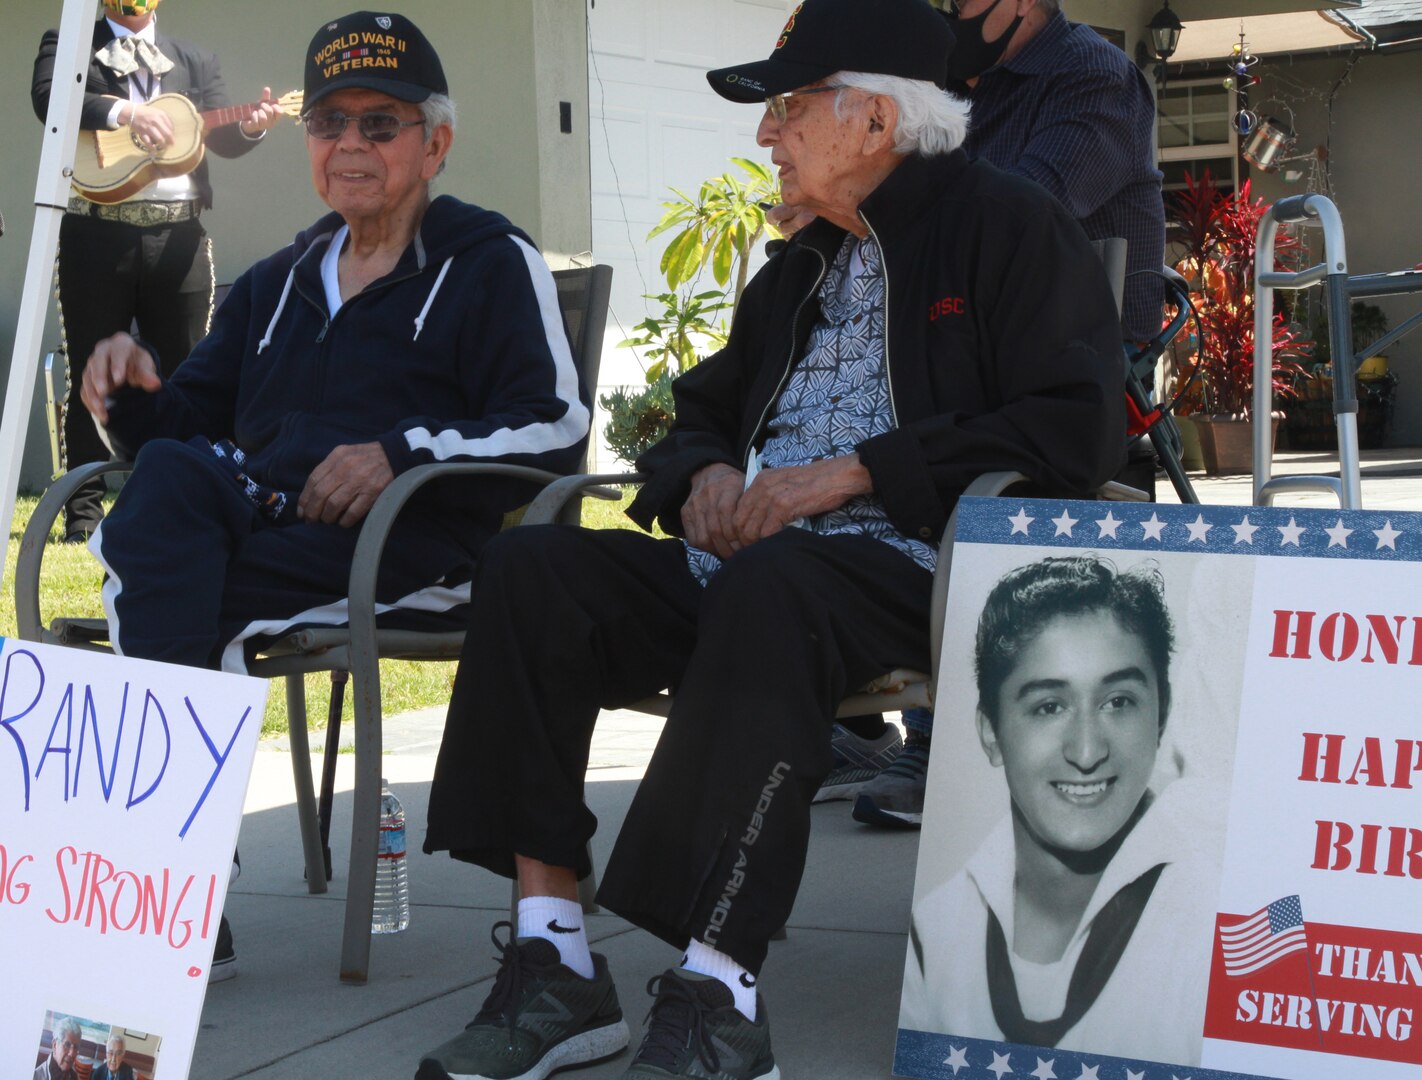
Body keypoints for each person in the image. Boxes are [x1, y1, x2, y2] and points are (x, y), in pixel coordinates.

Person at [417, 1, 1125, 1077]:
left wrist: (855, 473)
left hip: (920, 567)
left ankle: (718, 993)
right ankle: (554, 956)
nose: (766, 136)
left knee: (775, 586)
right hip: (762, 565)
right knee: (531, 568)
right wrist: (702, 471)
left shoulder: (1009, 227)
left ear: (875, 120)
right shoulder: (801, 264)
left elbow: (1074, 425)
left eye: (789, 109)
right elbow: (701, 406)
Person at [78, 9, 589, 975]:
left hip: (408, 542)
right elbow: (183, 428)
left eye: (379, 123)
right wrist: (126, 396)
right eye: (328, 123)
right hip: (264, 524)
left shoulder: (489, 262)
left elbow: (556, 424)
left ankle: (160, 887)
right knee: (174, 499)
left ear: (434, 142)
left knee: (160, 593)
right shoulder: (278, 280)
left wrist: (400, 452)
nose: (349, 143)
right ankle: (167, 885)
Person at [840, 0, 1170, 829]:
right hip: (964, 336)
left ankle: (936, 736)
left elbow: (1026, 210)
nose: (944, 10)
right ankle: (840, 680)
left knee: (934, 398)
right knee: (833, 377)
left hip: (1077, 364)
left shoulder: (1092, 79)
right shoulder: (951, 82)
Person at [899, 555, 1223, 1064]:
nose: (1087, 751)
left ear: (1161, 715)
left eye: (1118, 701)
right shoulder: (938, 933)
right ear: (991, 732)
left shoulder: (1218, 922)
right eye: (1049, 706)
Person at [31, 0, 285, 543]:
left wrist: (255, 127)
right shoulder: (69, 41)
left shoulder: (193, 60)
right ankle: (83, 517)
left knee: (193, 372)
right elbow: (49, 99)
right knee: (90, 374)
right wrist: (125, 114)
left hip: (180, 237)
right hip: (97, 234)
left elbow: (220, 137)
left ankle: (194, 496)